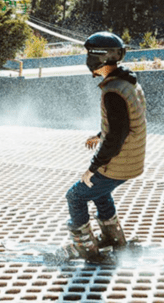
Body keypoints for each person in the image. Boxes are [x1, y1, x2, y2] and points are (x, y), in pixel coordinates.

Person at [59, 31, 147, 262]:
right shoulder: (127, 83)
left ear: (101, 58)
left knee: (75, 196)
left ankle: (86, 248)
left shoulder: (112, 92)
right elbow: (125, 122)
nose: (88, 61)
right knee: (100, 192)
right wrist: (100, 135)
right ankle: (113, 237)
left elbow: (117, 136)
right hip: (131, 158)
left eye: (90, 55)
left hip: (119, 160)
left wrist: (92, 168)